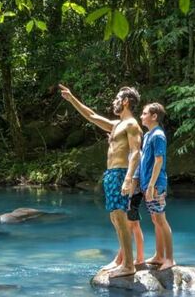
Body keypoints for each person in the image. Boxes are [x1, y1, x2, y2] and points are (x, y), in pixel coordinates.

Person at [59, 84, 142, 278]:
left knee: (121, 218)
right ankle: (123, 261)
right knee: (115, 218)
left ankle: (129, 265)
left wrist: (129, 178)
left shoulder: (132, 124)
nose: (114, 102)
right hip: (111, 173)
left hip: (121, 173)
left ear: (126, 101)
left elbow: (136, 152)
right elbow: (92, 116)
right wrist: (72, 99)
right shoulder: (117, 125)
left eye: (117, 99)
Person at [134, 103, 175, 270]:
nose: (141, 116)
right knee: (155, 219)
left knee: (161, 219)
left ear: (154, 116)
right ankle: (159, 256)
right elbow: (145, 160)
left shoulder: (158, 135)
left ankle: (170, 259)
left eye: (144, 114)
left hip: (156, 184)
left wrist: (151, 186)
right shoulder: (148, 135)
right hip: (147, 183)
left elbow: (159, 161)